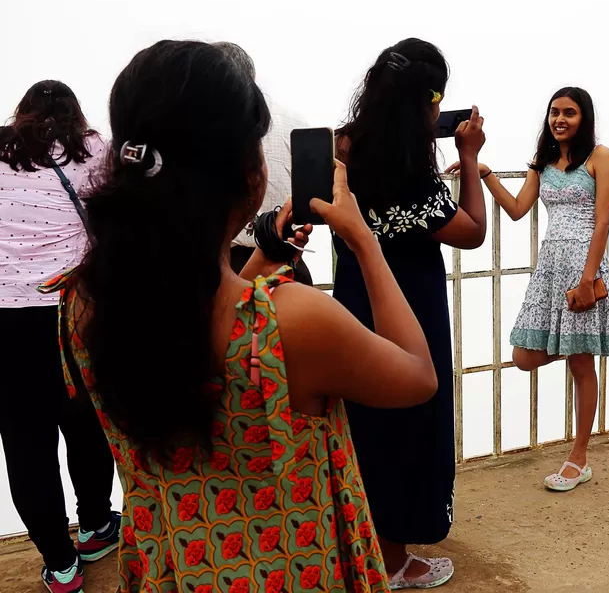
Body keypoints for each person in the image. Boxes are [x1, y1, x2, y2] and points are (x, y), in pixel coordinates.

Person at [42, 40, 441, 593]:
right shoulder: (293, 321)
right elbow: (417, 377)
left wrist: (266, 258)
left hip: (170, 567)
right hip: (293, 571)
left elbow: (193, 330)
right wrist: (364, 241)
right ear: (247, 172)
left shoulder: (83, 301)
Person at [334, 38, 487, 589]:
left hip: (353, 302)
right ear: (426, 102)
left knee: (363, 421)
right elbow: (471, 230)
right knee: (408, 417)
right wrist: (468, 158)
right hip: (411, 307)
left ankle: (363, 542)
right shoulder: (409, 171)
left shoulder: (342, 148)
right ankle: (394, 559)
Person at [449, 86, 609, 492]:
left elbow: (602, 222)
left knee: (582, 365)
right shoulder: (543, 162)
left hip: (584, 266)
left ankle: (578, 457)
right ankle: (573, 350)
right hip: (549, 269)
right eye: (554, 112)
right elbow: (516, 210)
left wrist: (587, 277)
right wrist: (484, 173)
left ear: (584, 118)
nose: (559, 119)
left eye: (569, 112)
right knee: (523, 357)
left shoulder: (600, 156)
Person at [0, 80, 120, 593]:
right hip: (71, 313)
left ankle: (60, 563)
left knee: (25, 443)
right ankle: (95, 527)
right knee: (86, 422)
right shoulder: (94, 149)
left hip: (4, 319)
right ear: (74, 113)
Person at [214, 41, 314, 285]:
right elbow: (312, 201)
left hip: (228, 268)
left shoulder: (205, 126)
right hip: (289, 263)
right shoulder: (294, 122)